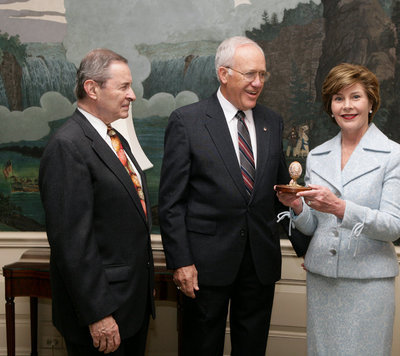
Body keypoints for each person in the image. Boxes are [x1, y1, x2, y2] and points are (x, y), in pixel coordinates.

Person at [158, 36, 307, 356]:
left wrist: (306, 248)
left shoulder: (271, 121)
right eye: (250, 74)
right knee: (201, 347)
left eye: (263, 75)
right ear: (223, 74)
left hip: (259, 263)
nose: (258, 83)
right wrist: (181, 261)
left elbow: (282, 191)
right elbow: (171, 203)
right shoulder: (188, 122)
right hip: (204, 266)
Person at [277, 63, 400, 355]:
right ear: (330, 107)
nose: (347, 106)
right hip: (322, 279)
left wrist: (340, 208)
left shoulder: (394, 155)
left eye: (355, 97)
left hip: (369, 283)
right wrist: (298, 206)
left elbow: (394, 225)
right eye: (338, 98)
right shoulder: (318, 156)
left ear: (371, 102)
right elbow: (314, 227)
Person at [39, 48, 155, 356]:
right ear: (92, 89)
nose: (132, 95)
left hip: (130, 305)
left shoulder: (116, 138)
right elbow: (72, 242)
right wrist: (99, 314)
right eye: (123, 87)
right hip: (103, 312)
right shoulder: (68, 145)